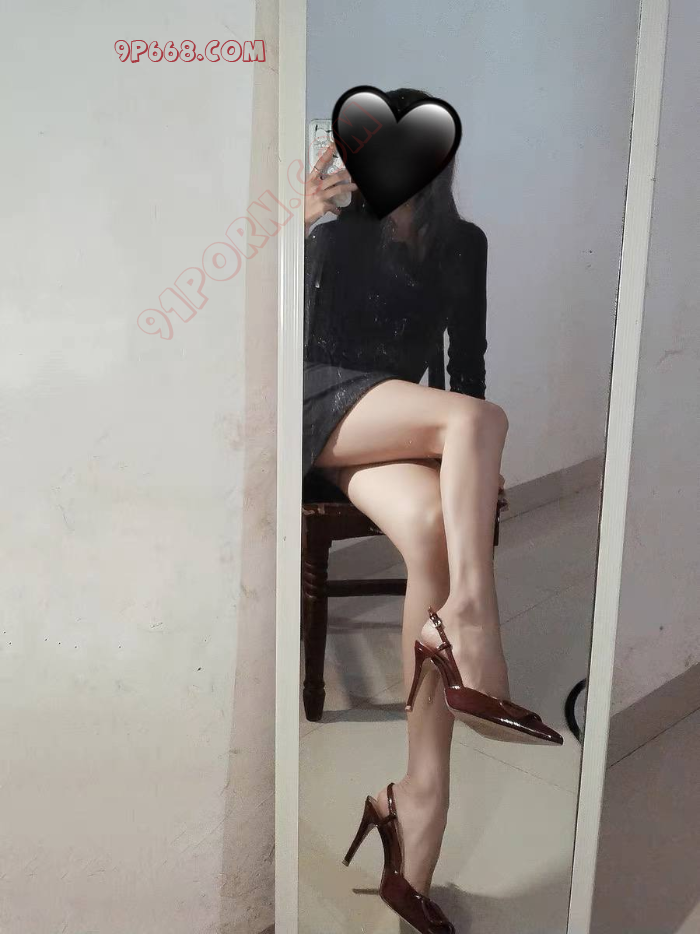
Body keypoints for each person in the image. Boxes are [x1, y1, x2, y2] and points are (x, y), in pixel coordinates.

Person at [302, 88, 562, 933]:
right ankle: (473, 626)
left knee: (432, 530)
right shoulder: (333, 235)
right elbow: (286, 342)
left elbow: (466, 363)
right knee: (478, 421)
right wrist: (301, 229)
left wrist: (472, 469)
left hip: (398, 422)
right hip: (320, 412)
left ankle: (416, 800)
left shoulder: (463, 244)